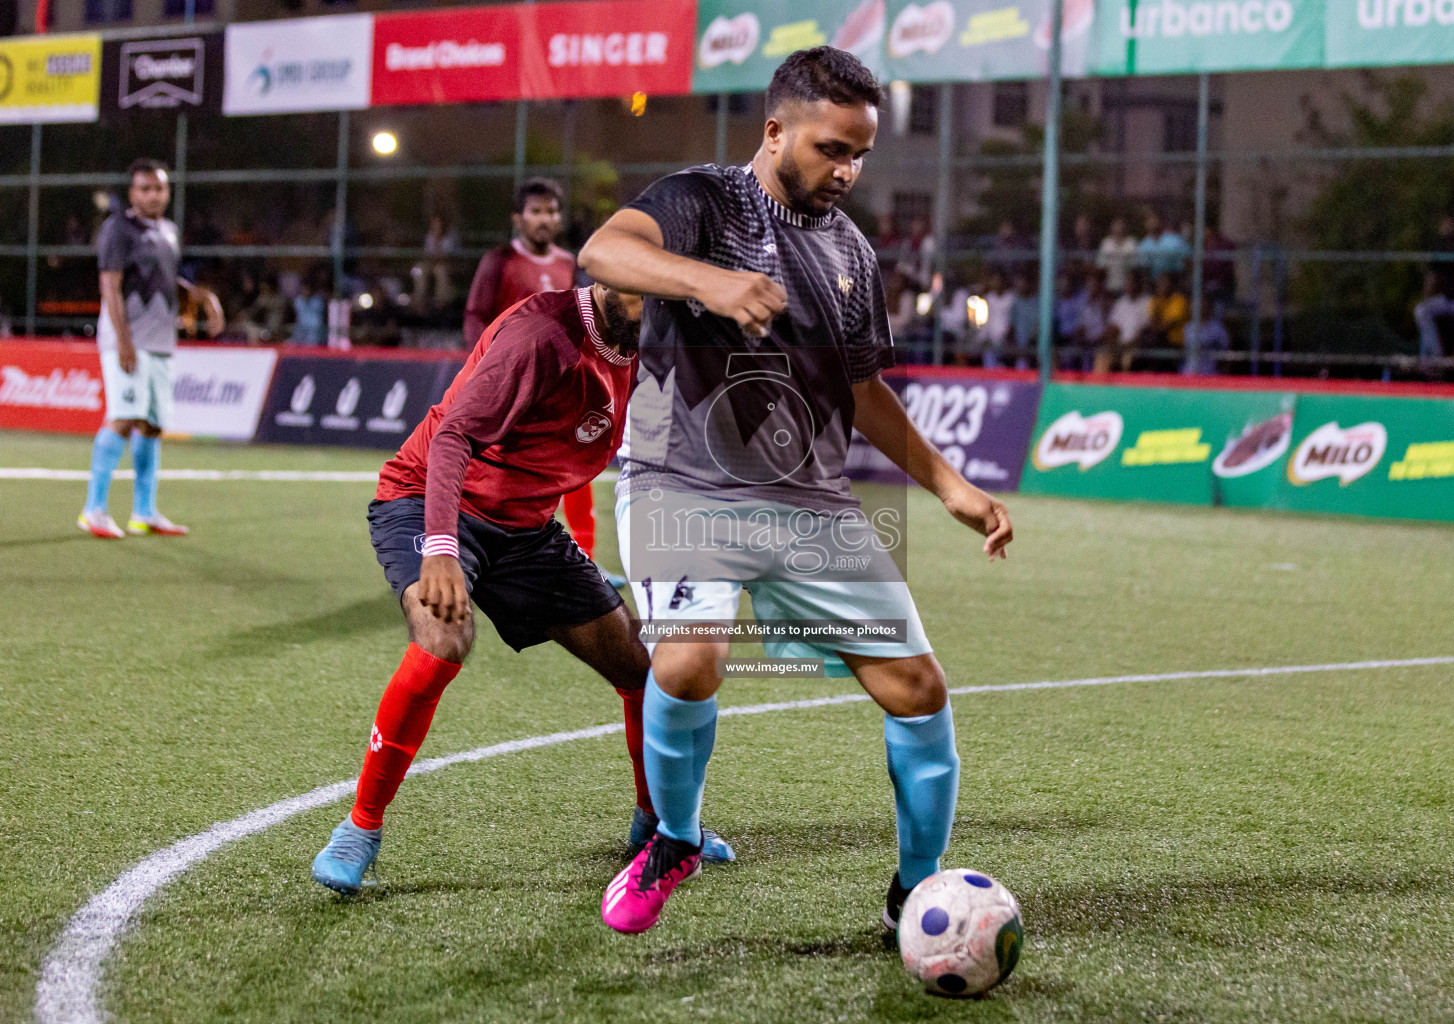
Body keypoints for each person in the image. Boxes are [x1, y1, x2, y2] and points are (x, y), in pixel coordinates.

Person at [577, 46, 1012, 935]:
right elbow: (603, 251)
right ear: (774, 131)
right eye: (829, 149)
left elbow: (861, 390)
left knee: (919, 691)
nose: (845, 171)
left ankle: (915, 893)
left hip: (809, 502)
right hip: (680, 484)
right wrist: (711, 281)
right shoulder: (702, 201)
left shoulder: (853, 253)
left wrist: (949, 486)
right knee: (688, 660)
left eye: (859, 154)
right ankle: (677, 838)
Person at [309, 283, 736, 895]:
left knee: (640, 667)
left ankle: (657, 827)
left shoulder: (648, 346)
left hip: (526, 530)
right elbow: (453, 438)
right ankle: (360, 829)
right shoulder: (544, 336)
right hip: (428, 500)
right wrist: (441, 548)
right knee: (443, 639)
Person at [462, 179, 619, 585]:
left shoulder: (570, 262)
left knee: (574, 467)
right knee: (493, 466)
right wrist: (485, 372)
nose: (544, 218)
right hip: (508, 383)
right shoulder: (498, 260)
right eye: (535, 211)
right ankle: (472, 548)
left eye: (551, 211)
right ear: (518, 218)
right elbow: (476, 316)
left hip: (559, 386)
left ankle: (584, 560)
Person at [78, 158, 223, 541]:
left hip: (160, 343)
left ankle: (144, 512)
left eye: (159, 188)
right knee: (124, 418)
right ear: (132, 192)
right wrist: (124, 341)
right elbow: (110, 285)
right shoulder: (117, 228)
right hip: (128, 341)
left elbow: (161, 275)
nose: (153, 195)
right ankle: (93, 508)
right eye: (145, 188)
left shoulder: (168, 231)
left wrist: (201, 297)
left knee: (153, 425)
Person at [1414, 215, 1454, 361]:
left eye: (1449, 223)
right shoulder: (1439, 246)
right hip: (1446, 298)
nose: (1446, 227)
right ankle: (1437, 356)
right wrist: (1426, 297)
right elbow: (1431, 276)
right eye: (1443, 224)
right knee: (1421, 311)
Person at [1100, 269, 1153, 372]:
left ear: (1139, 284)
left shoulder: (1147, 302)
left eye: (1133, 282)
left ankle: (1124, 385)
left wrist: (1129, 344)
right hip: (1120, 345)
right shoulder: (1121, 303)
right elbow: (1113, 326)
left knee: (1127, 357)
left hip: (1138, 345)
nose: (1130, 285)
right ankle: (1101, 385)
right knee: (1102, 355)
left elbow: (1145, 329)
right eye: (1128, 282)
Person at [1149, 272, 1191, 357]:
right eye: (1159, 282)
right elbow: (1152, 322)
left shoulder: (1180, 300)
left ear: (1173, 285)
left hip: (1177, 342)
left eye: (1164, 282)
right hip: (1161, 340)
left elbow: (1167, 326)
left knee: (1154, 340)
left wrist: (1156, 325)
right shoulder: (1155, 300)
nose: (1161, 285)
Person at [1095, 216, 1137, 297]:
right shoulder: (1106, 243)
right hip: (1109, 288)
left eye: (1121, 225)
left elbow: (1134, 268)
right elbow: (1101, 267)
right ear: (1111, 227)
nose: (1119, 228)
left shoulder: (1131, 243)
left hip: (1126, 288)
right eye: (1116, 225)